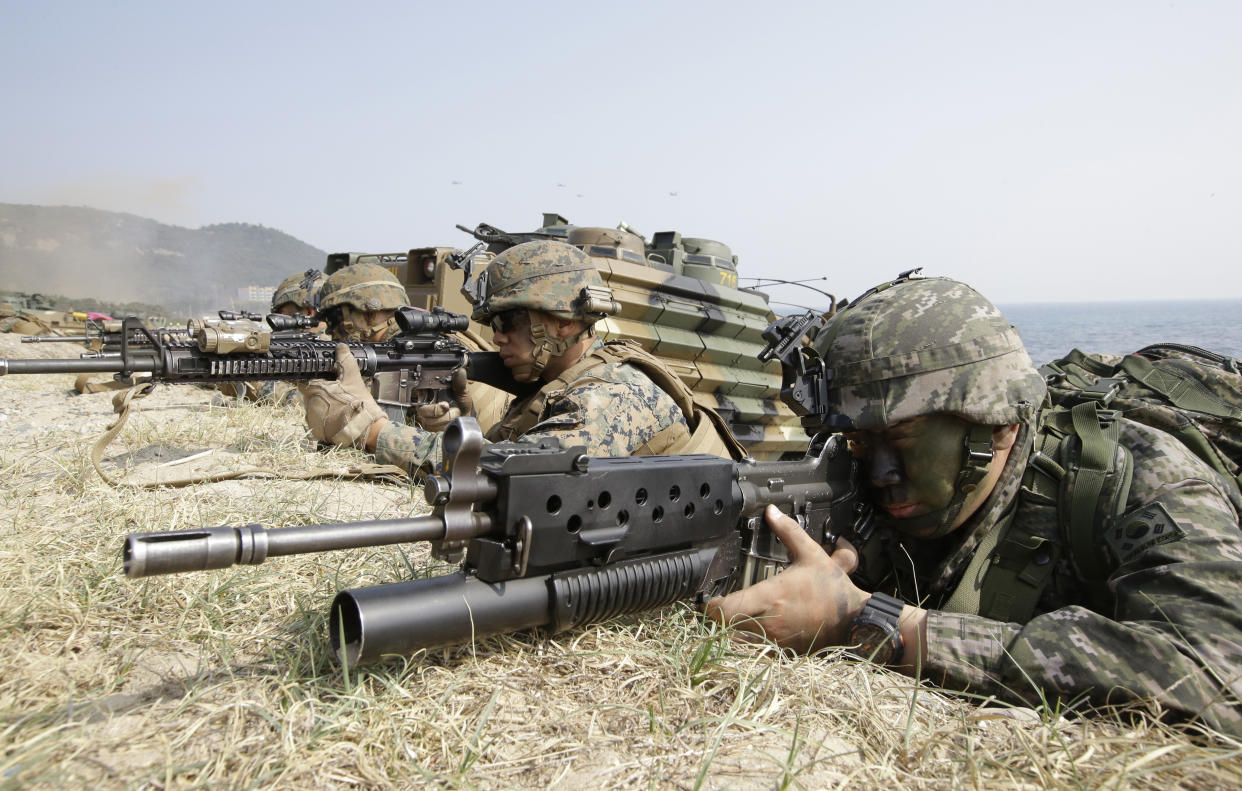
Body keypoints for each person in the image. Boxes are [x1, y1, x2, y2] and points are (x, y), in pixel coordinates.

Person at [706, 272, 1242, 735]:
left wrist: (872, 623)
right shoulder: (861, 484)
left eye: (905, 439)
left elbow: (1215, 678)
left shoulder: (1140, 475)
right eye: (858, 443)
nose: (881, 474)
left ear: (999, 424)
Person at [298, 240, 742, 473]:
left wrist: (372, 430)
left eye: (508, 323)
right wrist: (461, 426)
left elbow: (503, 474)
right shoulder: (564, 380)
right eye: (493, 326)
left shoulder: (610, 397)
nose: (497, 339)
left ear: (563, 321)